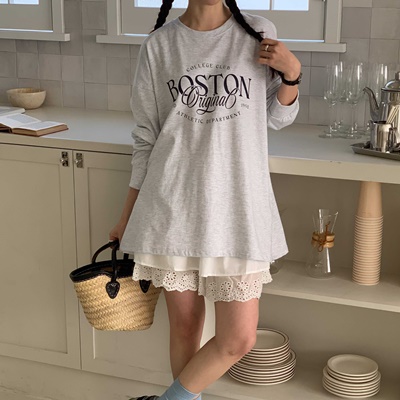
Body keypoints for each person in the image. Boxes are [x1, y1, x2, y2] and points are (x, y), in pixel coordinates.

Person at [109, 0, 301, 399]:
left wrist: (292, 74)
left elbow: (276, 118)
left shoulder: (257, 33)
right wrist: (127, 215)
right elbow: (146, 139)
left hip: (238, 206)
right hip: (172, 205)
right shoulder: (159, 45)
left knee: (238, 337)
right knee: (185, 329)